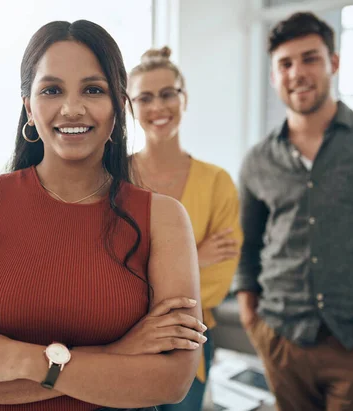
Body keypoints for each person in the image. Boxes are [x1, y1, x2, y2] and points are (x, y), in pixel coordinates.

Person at [0, 20, 205, 411]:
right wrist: (119, 353)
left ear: (119, 108)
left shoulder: (164, 217)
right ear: (29, 109)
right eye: (52, 90)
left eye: (93, 89)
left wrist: (18, 359)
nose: (72, 108)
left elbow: (171, 381)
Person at [233, 11, 353, 411]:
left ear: (333, 63)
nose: (297, 72)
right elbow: (246, 250)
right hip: (282, 342)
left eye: (309, 58)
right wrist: (252, 320)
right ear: (273, 76)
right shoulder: (257, 161)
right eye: (285, 63)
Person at [127, 46, 242, 410]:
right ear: (130, 106)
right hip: (118, 349)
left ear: (184, 98)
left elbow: (219, 279)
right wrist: (194, 257)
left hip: (189, 350)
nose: (158, 107)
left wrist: (140, 277)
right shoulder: (113, 178)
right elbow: (99, 270)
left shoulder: (217, 183)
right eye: (144, 98)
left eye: (167, 94)